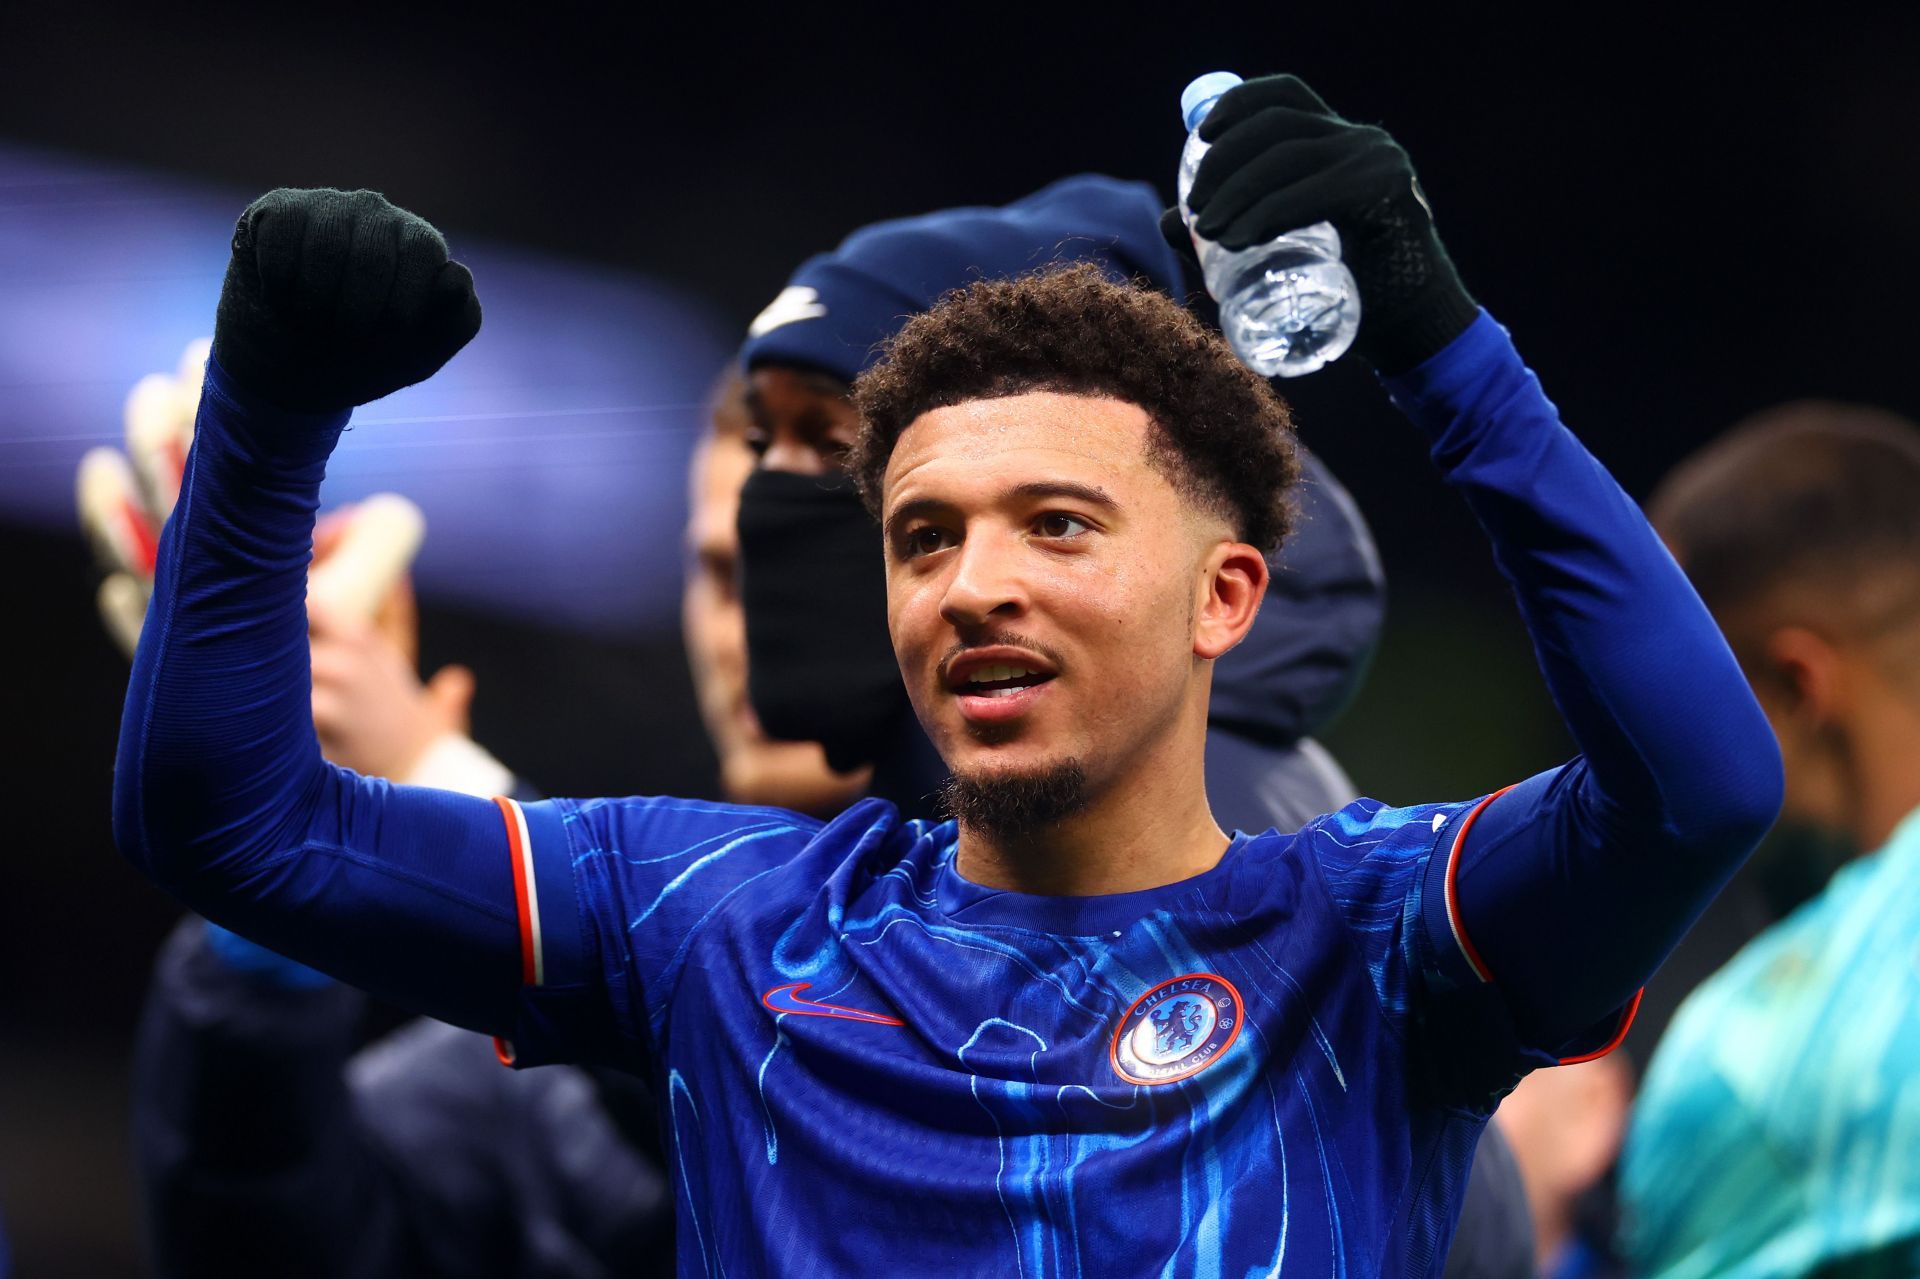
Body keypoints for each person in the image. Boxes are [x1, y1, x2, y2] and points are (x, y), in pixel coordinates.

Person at [112, 74, 1781, 1274]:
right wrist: (272, 415)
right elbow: (235, 826)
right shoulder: (715, 911)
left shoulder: (1380, 932)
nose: (975, 583)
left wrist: (1444, 348)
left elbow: (1702, 781)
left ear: (1227, 594)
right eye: (921, 536)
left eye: (1056, 524)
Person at [730, 173, 1533, 1276]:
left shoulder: (1200, 823)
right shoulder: (974, 816)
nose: (766, 495)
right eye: (760, 440)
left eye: (829, 443)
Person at [1621, 402, 1920, 1278]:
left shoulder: (1748, 1058)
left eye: (1672, 707)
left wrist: (1512, 1202)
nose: (1647, 762)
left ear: (1794, 690)